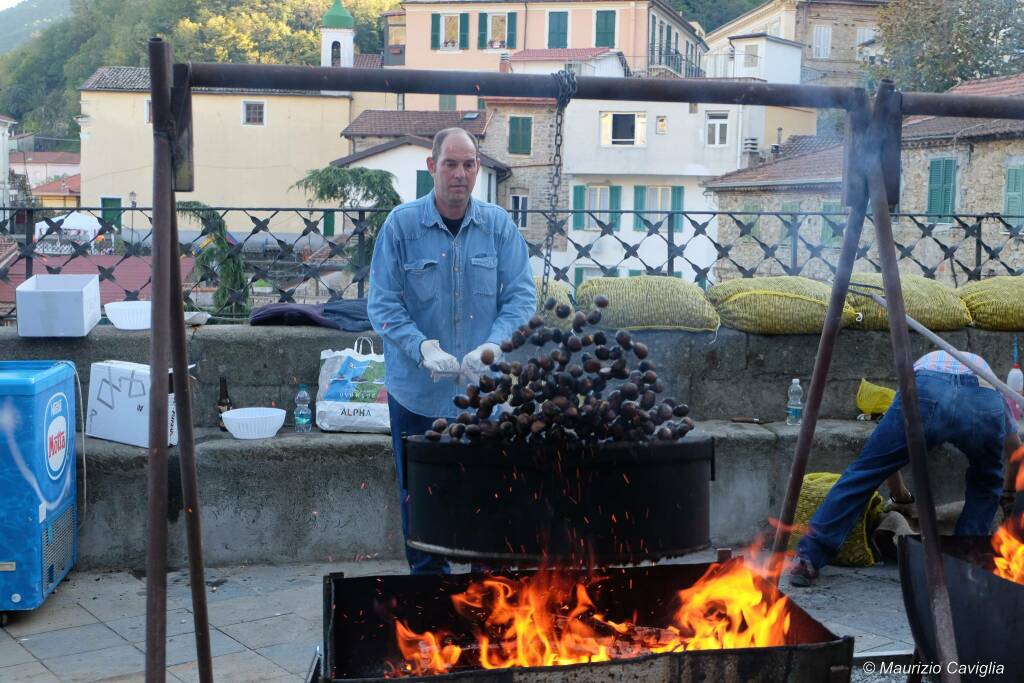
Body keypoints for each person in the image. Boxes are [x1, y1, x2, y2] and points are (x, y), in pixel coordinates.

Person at [367, 127, 536, 575]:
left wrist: (491, 346)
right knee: (422, 502)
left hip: (485, 397)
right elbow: (382, 303)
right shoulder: (401, 226)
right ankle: (430, 598)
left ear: (478, 168)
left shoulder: (499, 226)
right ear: (432, 167)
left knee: (489, 497)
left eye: (469, 164)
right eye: (450, 164)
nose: (460, 174)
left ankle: (488, 596)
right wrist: (420, 346)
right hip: (417, 396)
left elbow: (521, 298)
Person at [790, 349, 1019, 586]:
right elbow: (1016, 451)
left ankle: (808, 558)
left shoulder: (924, 368)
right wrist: (1008, 494)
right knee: (985, 484)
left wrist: (901, 496)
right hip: (983, 397)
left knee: (866, 471)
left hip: (927, 389)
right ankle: (961, 565)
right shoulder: (991, 381)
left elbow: (888, 459)